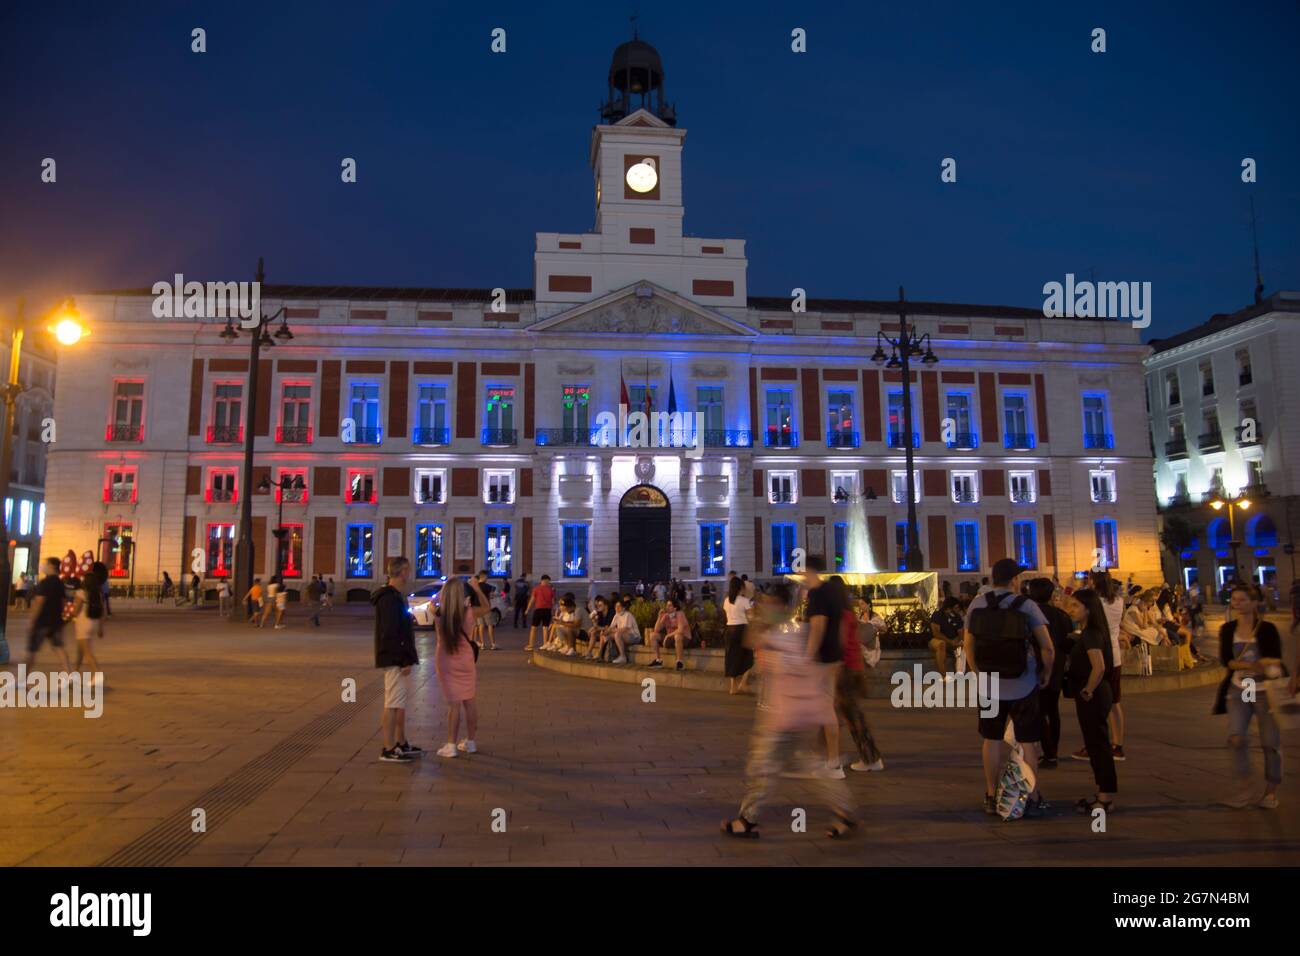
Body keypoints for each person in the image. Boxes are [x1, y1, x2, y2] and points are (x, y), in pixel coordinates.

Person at [721, 582, 856, 840]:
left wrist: (759, 612)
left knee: (761, 767)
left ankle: (747, 820)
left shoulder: (787, 633)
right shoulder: (794, 630)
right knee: (808, 767)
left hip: (786, 716)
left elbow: (751, 639)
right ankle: (845, 811)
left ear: (782, 607)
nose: (765, 608)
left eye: (771, 604)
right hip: (794, 713)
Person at [962, 558, 1055, 817]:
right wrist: (1045, 672)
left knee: (991, 739)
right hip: (1023, 683)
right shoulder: (1026, 605)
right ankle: (1031, 795)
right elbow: (1047, 647)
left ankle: (991, 795)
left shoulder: (977, 604)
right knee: (1027, 743)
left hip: (990, 684)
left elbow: (968, 644)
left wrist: (978, 672)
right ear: (1014, 580)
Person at [1215, 583, 1285, 809]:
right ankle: (1245, 787)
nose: (1237, 603)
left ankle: (1271, 791)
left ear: (1255, 603)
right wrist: (1253, 665)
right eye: (1234, 599)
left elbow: (1275, 658)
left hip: (1266, 691)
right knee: (1236, 737)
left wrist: (1256, 665)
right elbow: (1227, 660)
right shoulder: (1227, 629)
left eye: (1242, 599)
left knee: (1270, 742)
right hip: (1241, 688)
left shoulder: (1267, 629)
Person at [1067, 587, 1118, 813]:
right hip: (1098, 694)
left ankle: (1105, 798)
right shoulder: (1092, 632)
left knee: (1098, 746)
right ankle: (1103, 795)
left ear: (1089, 609)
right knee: (1097, 745)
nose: (1071, 609)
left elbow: (1098, 667)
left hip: (1094, 696)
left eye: (1076, 605)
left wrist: (1087, 690)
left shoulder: (1091, 634)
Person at [1074, 570, 1128, 763]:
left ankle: (1094, 745)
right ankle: (1118, 745)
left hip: (1098, 654)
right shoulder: (1118, 601)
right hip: (1115, 655)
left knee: (1095, 705)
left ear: (1093, 581)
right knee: (1114, 702)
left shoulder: (1096, 603)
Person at [372, 556, 421, 762]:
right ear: (401, 572)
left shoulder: (395, 597)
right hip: (393, 659)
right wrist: (403, 659)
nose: (409, 574)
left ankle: (399, 743)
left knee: (397, 702)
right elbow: (391, 633)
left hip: (395, 658)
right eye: (408, 571)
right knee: (392, 703)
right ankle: (388, 747)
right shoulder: (390, 599)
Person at [833, 576, 884, 773]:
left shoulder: (841, 615)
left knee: (849, 716)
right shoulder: (848, 613)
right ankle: (866, 757)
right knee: (847, 715)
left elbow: (841, 644)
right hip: (852, 668)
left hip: (845, 669)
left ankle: (869, 758)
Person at [434, 575, 489, 758]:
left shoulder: (438, 612)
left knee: (454, 705)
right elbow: (487, 607)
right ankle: (471, 741)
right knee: (469, 701)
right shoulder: (468, 612)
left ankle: (451, 745)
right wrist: (476, 587)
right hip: (466, 660)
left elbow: (432, 602)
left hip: (446, 660)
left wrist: (444, 587)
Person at [802, 557, 846, 778]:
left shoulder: (818, 593)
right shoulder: (831, 590)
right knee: (824, 707)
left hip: (822, 658)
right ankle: (828, 758)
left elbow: (818, 627)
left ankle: (831, 761)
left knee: (822, 709)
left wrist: (808, 656)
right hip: (834, 655)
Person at [1028, 577, 1073, 769]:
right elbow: (1068, 642)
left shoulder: (1029, 615)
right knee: (1053, 711)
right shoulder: (1062, 616)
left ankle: (1047, 751)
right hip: (1057, 668)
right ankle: (1053, 750)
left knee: (1038, 712)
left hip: (1037, 668)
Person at [26, 557, 71, 671]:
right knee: (59, 648)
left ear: (51, 566)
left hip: (42, 622)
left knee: (32, 651)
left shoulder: (45, 582)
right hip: (55, 622)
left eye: (45, 564)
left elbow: (39, 602)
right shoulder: (60, 583)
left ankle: (23, 679)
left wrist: (32, 620)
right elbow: (63, 603)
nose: (43, 566)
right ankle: (69, 674)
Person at [72, 562, 108, 676]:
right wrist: (100, 629)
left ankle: (96, 674)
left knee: (87, 652)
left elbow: (76, 611)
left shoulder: (80, 593)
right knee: (80, 651)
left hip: (82, 624)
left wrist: (69, 614)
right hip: (93, 624)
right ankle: (73, 675)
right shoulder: (98, 594)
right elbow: (104, 613)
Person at [723, 576, 754, 694]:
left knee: (732, 657)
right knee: (748, 657)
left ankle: (733, 687)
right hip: (741, 630)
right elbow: (751, 616)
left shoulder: (726, 600)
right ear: (740, 587)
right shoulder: (744, 600)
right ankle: (743, 683)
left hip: (729, 630)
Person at [648, 598, 691, 670]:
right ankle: (658, 660)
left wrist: (667, 636)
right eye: (667, 605)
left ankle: (680, 662)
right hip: (671, 639)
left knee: (677, 636)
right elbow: (656, 629)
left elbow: (680, 630)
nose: (667, 607)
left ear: (675, 608)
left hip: (684, 638)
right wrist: (659, 616)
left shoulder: (680, 614)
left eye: (669, 605)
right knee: (653, 635)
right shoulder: (666, 616)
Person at [928, 596, 965, 674]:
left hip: (953, 640)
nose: (958, 609)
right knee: (941, 644)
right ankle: (944, 675)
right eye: (956, 607)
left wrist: (959, 640)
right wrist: (950, 641)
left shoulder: (957, 617)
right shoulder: (938, 614)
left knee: (962, 647)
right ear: (949, 608)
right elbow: (936, 633)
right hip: (937, 640)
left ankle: (960, 673)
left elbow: (961, 632)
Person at [600, 599, 639, 664]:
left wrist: (612, 630)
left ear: (623, 608)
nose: (616, 608)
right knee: (605, 634)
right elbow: (611, 627)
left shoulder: (628, 615)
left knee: (617, 634)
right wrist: (606, 631)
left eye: (619, 606)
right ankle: (601, 655)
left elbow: (625, 629)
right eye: (615, 606)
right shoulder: (616, 615)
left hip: (633, 636)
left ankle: (623, 656)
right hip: (623, 635)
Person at [523, 574, 554, 651]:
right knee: (545, 628)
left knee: (534, 628)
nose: (548, 583)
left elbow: (532, 600)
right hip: (547, 610)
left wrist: (527, 609)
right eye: (548, 581)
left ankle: (531, 645)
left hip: (539, 609)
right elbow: (553, 601)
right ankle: (545, 644)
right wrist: (553, 611)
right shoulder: (551, 589)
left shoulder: (536, 589)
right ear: (545, 580)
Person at [472, 570, 499, 650]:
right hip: (486, 608)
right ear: (484, 577)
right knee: (490, 625)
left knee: (480, 626)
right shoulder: (487, 586)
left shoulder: (475, 587)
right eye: (487, 577)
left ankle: (482, 644)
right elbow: (493, 593)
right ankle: (492, 644)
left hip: (478, 609)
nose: (487, 578)